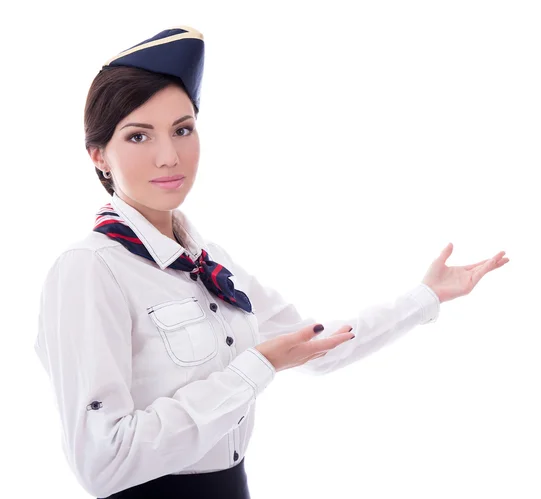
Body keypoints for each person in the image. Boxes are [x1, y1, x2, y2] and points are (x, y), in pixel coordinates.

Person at [33, 26, 509, 499]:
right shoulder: (90, 269)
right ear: (99, 155)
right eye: (139, 136)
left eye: (183, 130)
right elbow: (103, 461)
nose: (168, 156)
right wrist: (255, 367)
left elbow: (317, 346)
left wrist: (425, 296)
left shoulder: (207, 261)